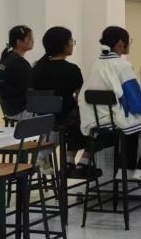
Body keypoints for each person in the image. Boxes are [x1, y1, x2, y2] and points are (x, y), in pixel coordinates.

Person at [78, 26, 141, 182]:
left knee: (132, 123)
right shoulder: (122, 65)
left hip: (95, 120)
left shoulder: (96, 64)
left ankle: (126, 169)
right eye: (129, 41)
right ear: (120, 43)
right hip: (114, 120)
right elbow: (135, 103)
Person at [30, 26, 97, 178]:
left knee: (74, 121)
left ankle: (61, 159)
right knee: (91, 123)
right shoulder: (72, 69)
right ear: (65, 45)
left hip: (41, 119)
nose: (73, 44)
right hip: (66, 120)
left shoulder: (37, 69)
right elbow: (81, 97)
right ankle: (78, 161)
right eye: (71, 41)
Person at [0, 25, 34, 120]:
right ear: (19, 42)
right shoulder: (18, 63)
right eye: (29, 38)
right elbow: (30, 88)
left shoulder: (7, 58)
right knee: (52, 114)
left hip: (9, 110)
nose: (32, 41)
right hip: (20, 110)